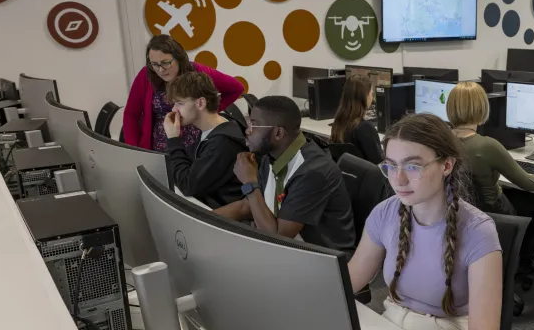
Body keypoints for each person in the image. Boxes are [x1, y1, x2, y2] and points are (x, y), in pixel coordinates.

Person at [348, 113, 503, 330]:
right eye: (390, 165)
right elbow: (350, 279)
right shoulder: (386, 212)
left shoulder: (478, 232)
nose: (399, 178)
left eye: (414, 166)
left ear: (446, 165)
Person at [446, 81, 534, 273]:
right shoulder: (487, 146)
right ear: (481, 109)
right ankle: (519, 260)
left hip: (459, 214)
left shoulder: (442, 141)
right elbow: (528, 183)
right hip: (493, 213)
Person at [214, 96, 356, 252]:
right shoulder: (273, 155)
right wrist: (201, 219)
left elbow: (278, 240)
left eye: (253, 124)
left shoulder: (312, 172)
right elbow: (246, 206)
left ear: (278, 133)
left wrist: (249, 182)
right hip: (289, 248)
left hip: (320, 260)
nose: (248, 131)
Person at [123, 35, 244, 151]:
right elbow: (131, 114)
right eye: (154, 64)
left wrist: (208, 110)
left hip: (195, 144)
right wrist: (133, 148)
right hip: (157, 146)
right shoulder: (146, 75)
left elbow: (236, 88)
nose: (160, 69)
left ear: (178, 58)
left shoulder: (197, 72)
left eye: (166, 62)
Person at [163, 71, 247, 208]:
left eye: (179, 103)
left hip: (221, 216)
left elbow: (187, 185)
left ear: (201, 103)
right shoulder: (220, 124)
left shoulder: (221, 143)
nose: (174, 110)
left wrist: (173, 139)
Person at [330, 73, 383, 164]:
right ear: (365, 97)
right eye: (371, 93)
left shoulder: (338, 124)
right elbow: (380, 164)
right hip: (369, 177)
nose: (372, 96)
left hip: (348, 176)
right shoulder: (365, 128)